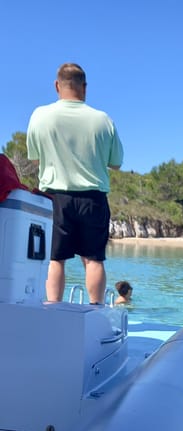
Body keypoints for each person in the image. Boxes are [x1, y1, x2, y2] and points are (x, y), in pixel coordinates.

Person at [27, 62, 124, 304]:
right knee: (93, 259)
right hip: (93, 198)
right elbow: (116, 162)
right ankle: (96, 310)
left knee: (55, 259)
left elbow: (34, 156)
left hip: (54, 198)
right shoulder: (103, 120)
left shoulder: (40, 115)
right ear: (85, 88)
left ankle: (52, 311)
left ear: (57, 85)